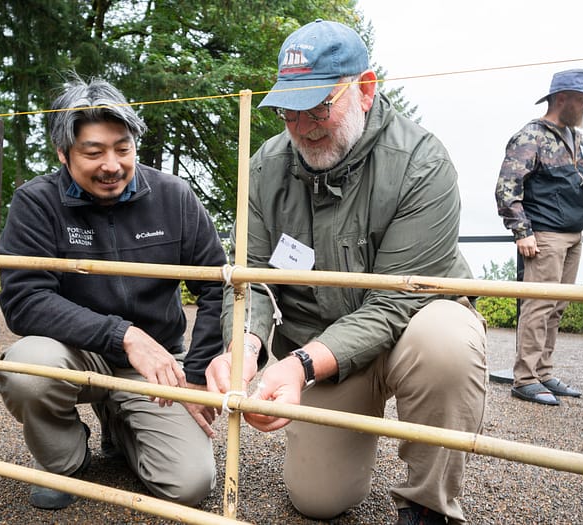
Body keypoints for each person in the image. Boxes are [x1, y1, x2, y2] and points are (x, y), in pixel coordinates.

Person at [206, 20, 487, 525]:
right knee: (317, 500)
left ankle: (428, 505)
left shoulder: (423, 162)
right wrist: (243, 348)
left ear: (365, 89)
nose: (302, 126)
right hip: (325, 348)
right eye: (289, 110)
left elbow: (396, 302)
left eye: (318, 107)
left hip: (411, 330)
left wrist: (297, 366)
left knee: (447, 344)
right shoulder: (265, 168)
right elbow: (252, 280)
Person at [0, 75, 227, 510]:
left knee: (190, 486)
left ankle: (120, 423)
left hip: (157, 363)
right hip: (75, 352)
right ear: (63, 152)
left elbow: (217, 289)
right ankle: (64, 461)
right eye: (93, 152)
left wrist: (196, 374)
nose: (112, 165)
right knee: (28, 370)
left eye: (123, 149)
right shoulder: (35, 202)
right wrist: (123, 335)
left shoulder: (174, 196)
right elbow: (25, 300)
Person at [495, 69, 583, 406]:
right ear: (562, 98)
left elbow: (577, 181)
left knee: (556, 307)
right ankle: (525, 379)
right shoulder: (530, 136)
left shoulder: (577, 138)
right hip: (544, 234)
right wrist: (522, 232)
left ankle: (543, 372)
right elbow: (507, 189)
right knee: (538, 306)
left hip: (574, 233)